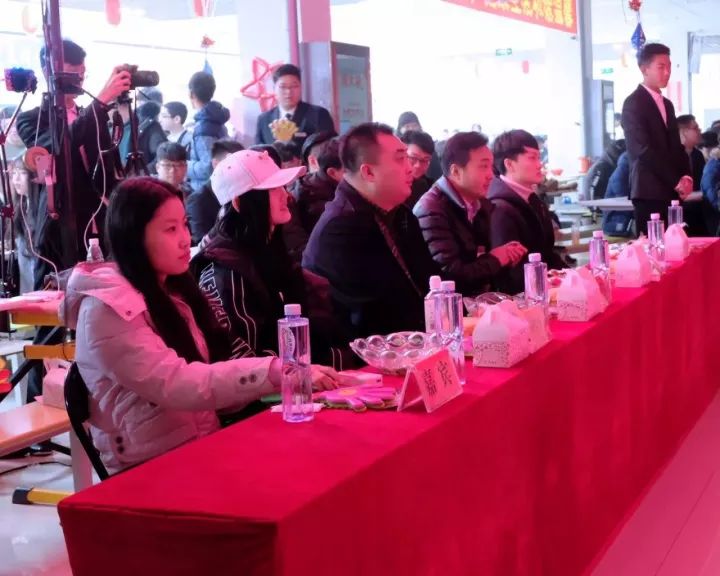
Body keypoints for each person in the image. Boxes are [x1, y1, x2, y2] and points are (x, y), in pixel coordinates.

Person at [62, 177, 339, 472]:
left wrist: (277, 378)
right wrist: (273, 370)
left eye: (184, 224)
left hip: (201, 444)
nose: (185, 238)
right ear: (133, 237)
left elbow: (214, 379)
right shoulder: (107, 310)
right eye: (170, 229)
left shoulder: (175, 291)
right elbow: (178, 383)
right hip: (148, 468)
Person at [192, 150, 351, 368]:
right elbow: (244, 362)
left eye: (283, 187)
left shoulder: (271, 250)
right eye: (273, 189)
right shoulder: (224, 270)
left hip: (302, 375)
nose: (286, 196)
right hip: (269, 384)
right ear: (238, 202)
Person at [303, 123, 438, 338]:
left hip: (417, 337)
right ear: (368, 172)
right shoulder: (341, 228)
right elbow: (373, 314)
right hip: (371, 349)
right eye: (400, 158)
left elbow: (430, 279)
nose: (410, 168)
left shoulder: (400, 214)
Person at [16, 39, 132, 283]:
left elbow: (107, 161)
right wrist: (100, 101)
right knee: (57, 291)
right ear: (48, 71)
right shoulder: (31, 119)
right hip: (60, 222)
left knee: (102, 288)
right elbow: (59, 146)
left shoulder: (89, 113)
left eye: (82, 75)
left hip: (99, 216)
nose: (79, 82)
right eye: (72, 74)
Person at [413, 132, 526, 296]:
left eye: (491, 167)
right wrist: (496, 259)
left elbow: (480, 261)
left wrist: (505, 256)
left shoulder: (480, 204)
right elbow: (450, 276)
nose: (491, 175)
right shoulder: (431, 210)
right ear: (456, 172)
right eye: (483, 166)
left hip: (478, 301)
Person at [621, 43, 692, 235]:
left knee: (677, 244)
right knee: (653, 247)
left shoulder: (667, 104)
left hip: (671, 190)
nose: (667, 72)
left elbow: (676, 145)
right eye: (661, 67)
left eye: (669, 66)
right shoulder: (633, 103)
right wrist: (675, 180)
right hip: (648, 190)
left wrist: (686, 176)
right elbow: (642, 150)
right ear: (644, 69)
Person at [488, 129, 568, 295]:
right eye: (532, 158)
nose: (539, 164)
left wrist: (571, 275)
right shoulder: (500, 208)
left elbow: (546, 253)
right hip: (524, 299)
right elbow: (511, 274)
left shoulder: (532, 199)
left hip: (543, 289)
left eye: (539, 157)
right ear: (509, 164)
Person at [255, 64, 335, 148]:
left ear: (301, 87)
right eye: (283, 87)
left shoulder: (319, 114)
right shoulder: (263, 119)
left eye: (294, 86)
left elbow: (329, 149)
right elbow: (257, 152)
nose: (288, 92)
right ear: (274, 89)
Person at [186, 139, 244, 245]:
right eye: (233, 164)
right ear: (215, 164)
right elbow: (201, 244)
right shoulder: (198, 200)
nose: (241, 169)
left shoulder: (243, 191)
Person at [186, 71, 231, 192]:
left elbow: (207, 168)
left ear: (191, 94)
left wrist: (184, 165)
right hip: (222, 186)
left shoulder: (204, 128)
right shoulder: (216, 117)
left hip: (206, 190)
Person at [291, 137, 344, 238]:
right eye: (349, 170)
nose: (357, 174)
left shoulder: (334, 188)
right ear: (332, 172)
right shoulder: (315, 200)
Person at [9, 157, 41, 294]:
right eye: (13, 174)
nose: (16, 179)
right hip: (27, 278)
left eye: (22, 173)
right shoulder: (21, 205)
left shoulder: (39, 208)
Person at [676, 114, 709, 235]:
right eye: (695, 128)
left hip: (698, 206)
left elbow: (703, 183)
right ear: (683, 132)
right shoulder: (672, 156)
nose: (700, 131)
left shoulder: (697, 155)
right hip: (679, 209)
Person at [396, 111, 442, 181]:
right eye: (407, 126)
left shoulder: (428, 146)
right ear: (400, 129)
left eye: (414, 125)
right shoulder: (394, 149)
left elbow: (436, 174)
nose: (411, 129)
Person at [601, 152, 634, 237]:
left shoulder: (624, 173)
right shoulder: (620, 176)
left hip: (621, 220)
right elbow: (624, 199)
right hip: (615, 223)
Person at [400, 130, 435, 208]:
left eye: (425, 160)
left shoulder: (430, 189)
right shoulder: (388, 185)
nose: (418, 165)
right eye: (413, 158)